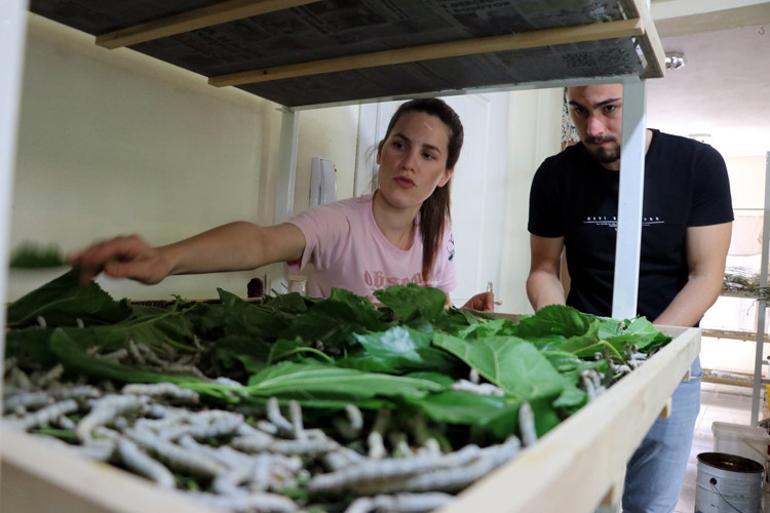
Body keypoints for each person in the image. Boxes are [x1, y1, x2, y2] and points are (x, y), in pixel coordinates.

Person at [70, 98, 493, 311]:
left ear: (444, 176)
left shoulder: (439, 237)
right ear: (381, 151)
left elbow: (436, 307)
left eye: (428, 154)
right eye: (400, 145)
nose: (409, 163)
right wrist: (166, 258)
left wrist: (461, 312)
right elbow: (258, 243)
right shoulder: (341, 223)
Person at [526, 84, 732, 512]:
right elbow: (543, 269)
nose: (594, 127)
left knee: (650, 504)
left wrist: (647, 357)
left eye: (609, 108)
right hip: (583, 360)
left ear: (638, 97)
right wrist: (567, 336)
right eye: (579, 111)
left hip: (670, 361)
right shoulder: (554, 174)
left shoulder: (697, 164)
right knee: (576, 497)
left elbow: (706, 275)